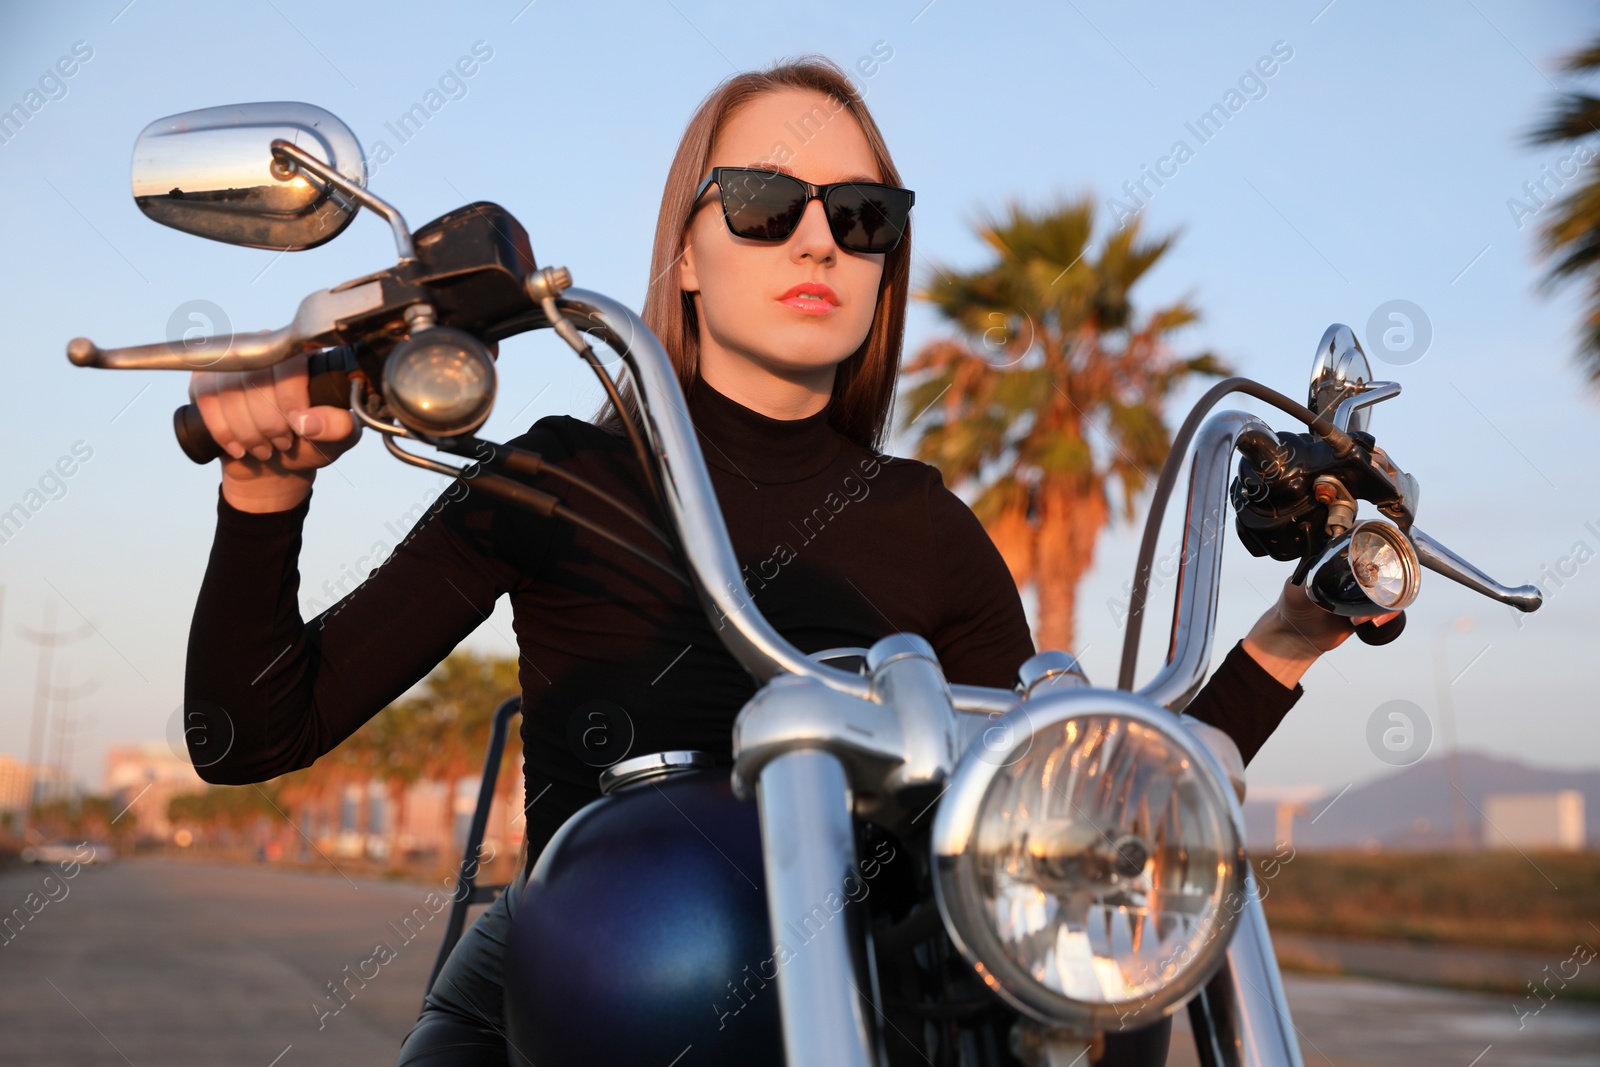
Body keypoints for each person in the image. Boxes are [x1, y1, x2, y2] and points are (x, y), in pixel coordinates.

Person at [182, 57, 1395, 1067]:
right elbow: (251, 732)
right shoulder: (555, 478)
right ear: (690, 252)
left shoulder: (928, 521)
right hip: (593, 953)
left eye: (862, 215)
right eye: (765, 200)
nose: (818, 234)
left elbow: (1073, 803)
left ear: (882, 266)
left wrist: (1293, 632)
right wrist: (264, 486)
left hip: (881, 974)